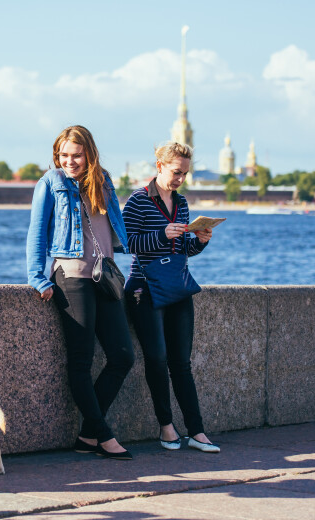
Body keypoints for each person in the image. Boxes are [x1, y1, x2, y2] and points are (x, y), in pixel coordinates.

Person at [27, 125, 135, 460]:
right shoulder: (50, 183)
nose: (70, 161)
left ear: (89, 152)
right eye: (63, 155)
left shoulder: (103, 181)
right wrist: (37, 278)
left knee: (122, 356)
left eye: (76, 155)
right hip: (71, 276)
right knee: (81, 360)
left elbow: (115, 226)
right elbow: (36, 232)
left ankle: (89, 433)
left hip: (105, 276)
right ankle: (102, 435)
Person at [122, 141, 219, 453]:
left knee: (181, 362)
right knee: (157, 358)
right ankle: (166, 427)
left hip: (176, 285)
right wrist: (161, 234)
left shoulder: (183, 203)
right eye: (176, 172)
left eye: (185, 174)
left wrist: (200, 241)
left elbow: (181, 250)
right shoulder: (138, 201)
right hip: (144, 287)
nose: (180, 179)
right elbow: (127, 244)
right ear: (160, 166)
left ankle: (197, 431)